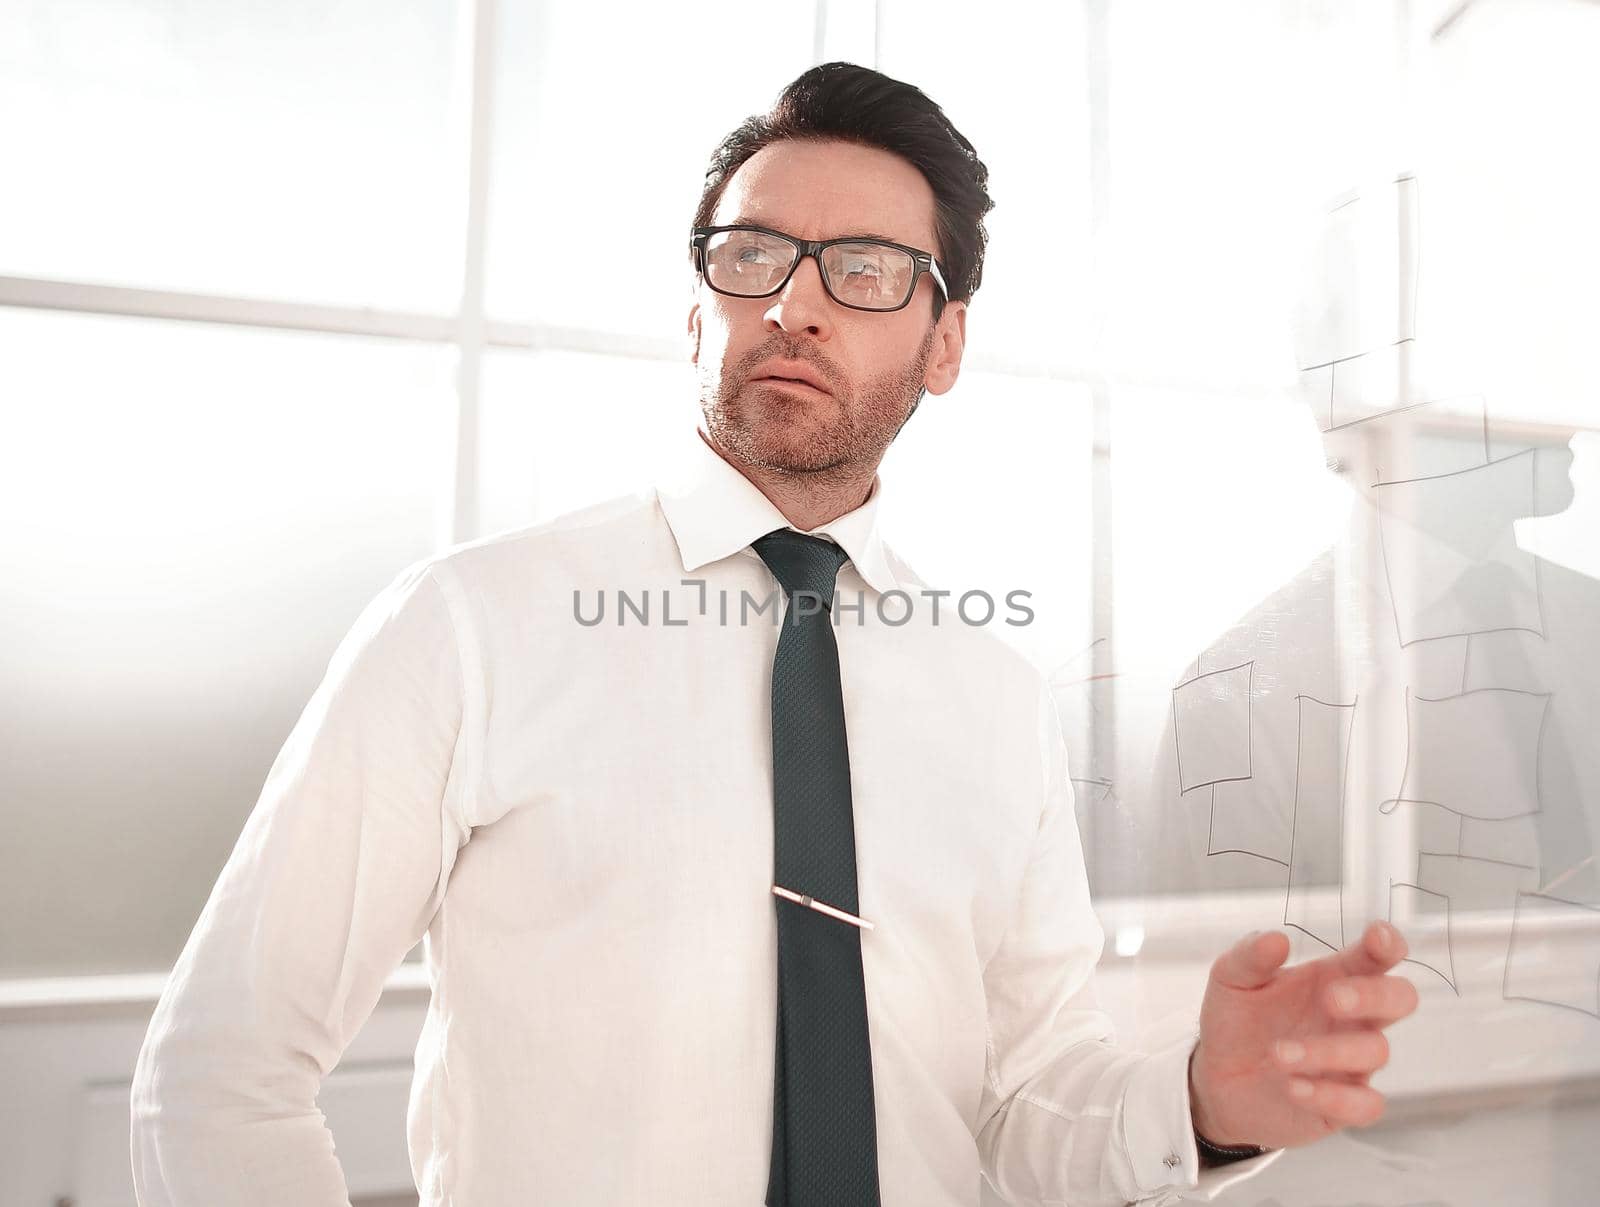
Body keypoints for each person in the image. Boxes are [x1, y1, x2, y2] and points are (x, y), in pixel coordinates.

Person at [130, 62, 1419, 1207]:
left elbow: (1025, 1107)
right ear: (698, 311)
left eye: (862, 271)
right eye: (753, 256)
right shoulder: (471, 626)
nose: (795, 307)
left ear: (946, 343)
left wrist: (1197, 1107)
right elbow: (224, 1074)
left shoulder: (990, 693)